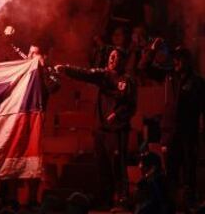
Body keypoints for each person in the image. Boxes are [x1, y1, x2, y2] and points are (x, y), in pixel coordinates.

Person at [55, 48, 137, 212]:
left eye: (116, 56)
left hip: (117, 130)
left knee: (117, 166)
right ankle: (106, 200)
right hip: (101, 130)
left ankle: (122, 200)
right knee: (103, 166)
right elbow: (86, 73)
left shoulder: (128, 80)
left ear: (123, 60)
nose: (112, 59)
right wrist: (66, 69)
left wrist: (116, 114)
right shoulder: (104, 76)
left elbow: (131, 105)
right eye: (110, 56)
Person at [139, 43, 205, 211]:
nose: (176, 61)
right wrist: (152, 50)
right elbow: (144, 67)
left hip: (188, 134)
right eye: (175, 58)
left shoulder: (198, 82)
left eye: (180, 58)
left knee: (189, 170)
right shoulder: (169, 76)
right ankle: (170, 205)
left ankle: (190, 204)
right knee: (170, 172)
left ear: (187, 60)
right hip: (170, 133)